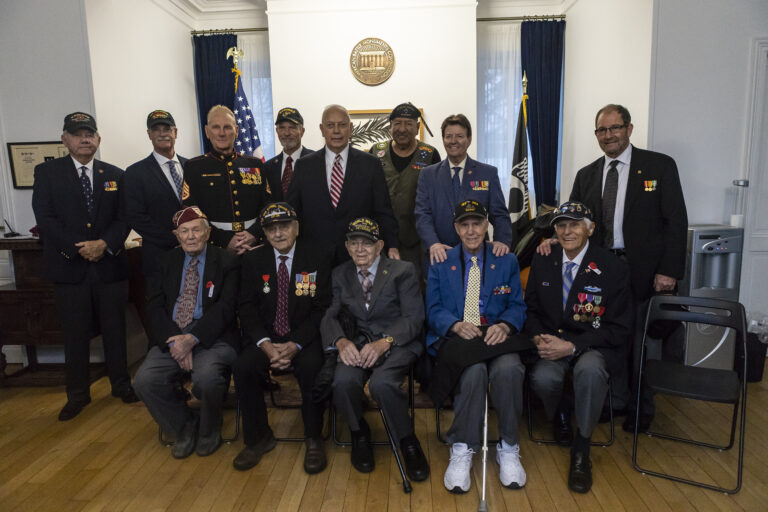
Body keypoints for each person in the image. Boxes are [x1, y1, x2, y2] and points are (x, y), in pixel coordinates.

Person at [538, 104, 688, 431]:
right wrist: (552, 238)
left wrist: (670, 271)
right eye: (602, 131)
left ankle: (640, 408)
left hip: (647, 272)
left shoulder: (659, 166)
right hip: (599, 273)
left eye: (615, 128)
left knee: (645, 343)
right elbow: (574, 219)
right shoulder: (587, 174)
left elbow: (675, 221)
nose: (609, 135)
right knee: (608, 338)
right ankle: (613, 400)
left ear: (629, 129)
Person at [32, 112, 137, 421]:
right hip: (69, 268)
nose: (84, 138)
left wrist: (104, 244)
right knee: (75, 335)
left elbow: (125, 217)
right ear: (65, 139)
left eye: (89, 133)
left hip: (109, 265)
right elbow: (45, 218)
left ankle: (121, 385)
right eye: (77, 134)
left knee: (115, 330)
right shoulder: (48, 173)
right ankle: (77, 394)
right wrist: (79, 248)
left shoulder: (116, 174)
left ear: (98, 139)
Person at [525, 201, 632, 493]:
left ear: (590, 228)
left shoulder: (612, 267)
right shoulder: (544, 258)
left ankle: (582, 448)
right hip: (551, 342)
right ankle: (560, 411)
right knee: (543, 379)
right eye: (561, 225)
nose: (567, 230)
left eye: (574, 224)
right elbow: (530, 310)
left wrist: (572, 346)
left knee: (591, 373)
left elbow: (620, 328)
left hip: (592, 345)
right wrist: (537, 337)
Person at [425, 200, 528, 493]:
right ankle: (462, 447)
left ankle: (508, 446)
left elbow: (518, 306)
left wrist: (505, 325)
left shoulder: (505, 259)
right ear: (456, 228)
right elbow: (432, 308)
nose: (471, 231)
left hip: (496, 337)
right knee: (473, 373)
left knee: (509, 369)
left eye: (477, 224)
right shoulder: (441, 261)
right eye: (465, 225)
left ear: (487, 226)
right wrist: (455, 325)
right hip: (459, 337)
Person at [320, 217, 429, 481]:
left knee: (382, 384)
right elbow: (329, 316)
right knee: (343, 381)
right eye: (354, 243)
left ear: (379, 245)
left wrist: (384, 342)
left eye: (366, 243)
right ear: (347, 247)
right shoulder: (339, 274)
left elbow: (414, 317)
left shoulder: (402, 270)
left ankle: (407, 439)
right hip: (357, 343)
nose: (360, 249)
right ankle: (359, 434)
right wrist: (340, 341)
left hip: (396, 343)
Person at [133, 206, 240, 459]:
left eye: (196, 230)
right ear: (177, 235)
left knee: (208, 379)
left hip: (212, 335)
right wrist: (175, 342)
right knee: (144, 381)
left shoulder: (228, 261)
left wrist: (192, 339)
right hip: (172, 334)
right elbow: (155, 306)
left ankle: (209, 428)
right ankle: (184, 426)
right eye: (184, 231)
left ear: (207, 233)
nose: (191, 236)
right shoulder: (165, 261)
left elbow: (226, 308)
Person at [232, 202, 331, 474]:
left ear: (296, 228)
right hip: (266, 338)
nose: (278, 233)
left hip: (304, 337)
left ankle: (313, 438)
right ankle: (258, 438)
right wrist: (264, 344)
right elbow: (247, 307)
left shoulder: (318, 256)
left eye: (284, 226)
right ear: (264, 232)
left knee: (312, 367)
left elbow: (323, 307)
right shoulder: (253, 260)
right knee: (243, 368)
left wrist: (294, 344)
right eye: (271, 229)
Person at [286, 104, 399, 265]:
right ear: (322, 129)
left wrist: (392, 245)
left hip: (358, 257)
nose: (336, 131)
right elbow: (293, 212)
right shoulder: (304, 166)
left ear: (351, 128)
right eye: (330, 125)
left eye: (342, 125)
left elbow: (383, 211)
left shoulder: (370, 164)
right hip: (313, 256)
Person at [415, 114, 514, 267]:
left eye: (459, 136)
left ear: (469, 139)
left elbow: (499, 214)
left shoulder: (487, 173)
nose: (453, 141)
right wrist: (433, 244)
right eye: (448, 136)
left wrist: (501, 242)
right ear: (443, 139)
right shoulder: (427, 175)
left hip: (478, 257)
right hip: (440, 256)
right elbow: (422, 215)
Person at [182, 105, 271, 255]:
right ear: (207, 131)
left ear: (236, 130)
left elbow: (267, 205)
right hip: (215, 249)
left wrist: (254, 233)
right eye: (216, 127)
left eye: (227, 127)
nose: (222, 133)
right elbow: (191, 212)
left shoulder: (254, 165)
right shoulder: (193, 167)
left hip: (254, 246)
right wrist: (224, 240)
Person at [369, 102, 440, 280]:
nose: (402, 129)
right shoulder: (375, 153)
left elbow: (437, 201)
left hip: (416, 241)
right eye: (397, 123)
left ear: (417, 127)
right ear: (390, 127)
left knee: (415, 288)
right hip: (380, 240)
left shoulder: (430, 154)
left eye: (408, 124)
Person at [121, 109, 187, 278]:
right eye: (156, 130)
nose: (162, 134)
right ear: (149, 134)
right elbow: (135, 216)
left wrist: (193, 236)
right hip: (159, 256)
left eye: (167, 129)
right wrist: (175, 238)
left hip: (198, 252)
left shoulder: (193, 166)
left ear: (176, 132)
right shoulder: (135, 173)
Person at [264, 107, 313, 201]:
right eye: (282, 128)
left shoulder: (316, 162)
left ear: (302, 131)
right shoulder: (267, 167)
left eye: (292, 127)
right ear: (277, 131)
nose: (286, 133)